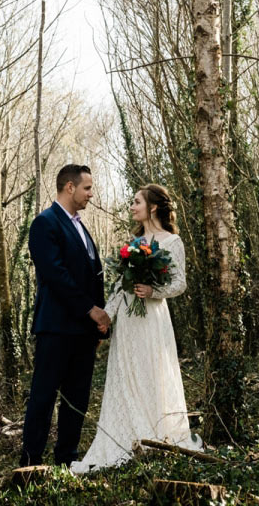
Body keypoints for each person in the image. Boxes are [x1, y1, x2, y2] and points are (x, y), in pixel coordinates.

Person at [71, 183, 200, 473]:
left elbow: (180, 284)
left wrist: (153, 290)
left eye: (136, 202)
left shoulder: (172, 242)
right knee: (127, 373)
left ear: (152, 207)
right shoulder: (132, 243)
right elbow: (120, 286)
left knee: (152, 371)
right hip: (129, 320)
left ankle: (157, 434)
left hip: (153, 319)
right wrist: (106, 316)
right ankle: (127, 435)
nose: (132, 207)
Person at [19, 164, 110, 467]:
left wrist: (98, 321)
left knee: (77, 398)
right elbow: (55, 275)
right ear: (69, 187)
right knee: (44, 397)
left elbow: (92, 275)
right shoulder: (44, 223)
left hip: (84, 331)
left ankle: (66, 460)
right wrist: (90, 309)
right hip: (56, 328)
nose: (91, 194)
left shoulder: (80, 226)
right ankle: (31, 462)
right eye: (87, 188)